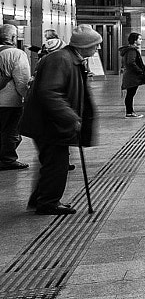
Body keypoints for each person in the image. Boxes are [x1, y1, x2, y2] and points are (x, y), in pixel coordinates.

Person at [20, 25, 100, 215]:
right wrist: (70, 117)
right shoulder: (60, 59)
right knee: (57, 163)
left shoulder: (71, 59)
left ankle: (40, 197)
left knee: (52, 161)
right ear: (84, 46)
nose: (97, 49)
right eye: (95, 45)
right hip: (49, 123)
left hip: (51, 122)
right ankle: (48, 203)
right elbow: (49, 92)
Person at [0, 24, 33, 171]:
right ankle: (7, 159)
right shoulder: (16, 54)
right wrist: (28, 97)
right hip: (9, 102)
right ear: (13, 37)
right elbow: (22, 81)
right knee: (10, 131)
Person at [119, 32, 145, 118]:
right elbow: (131, 62)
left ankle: (130, 111)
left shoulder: (130, 50)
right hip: (132, 76)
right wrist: (139, 71)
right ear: (135, 40)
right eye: (139, 39)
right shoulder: (132, 50)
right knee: (130, 94)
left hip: (130, 75)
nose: (141, 40)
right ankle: (129, 112)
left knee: (130, 94)